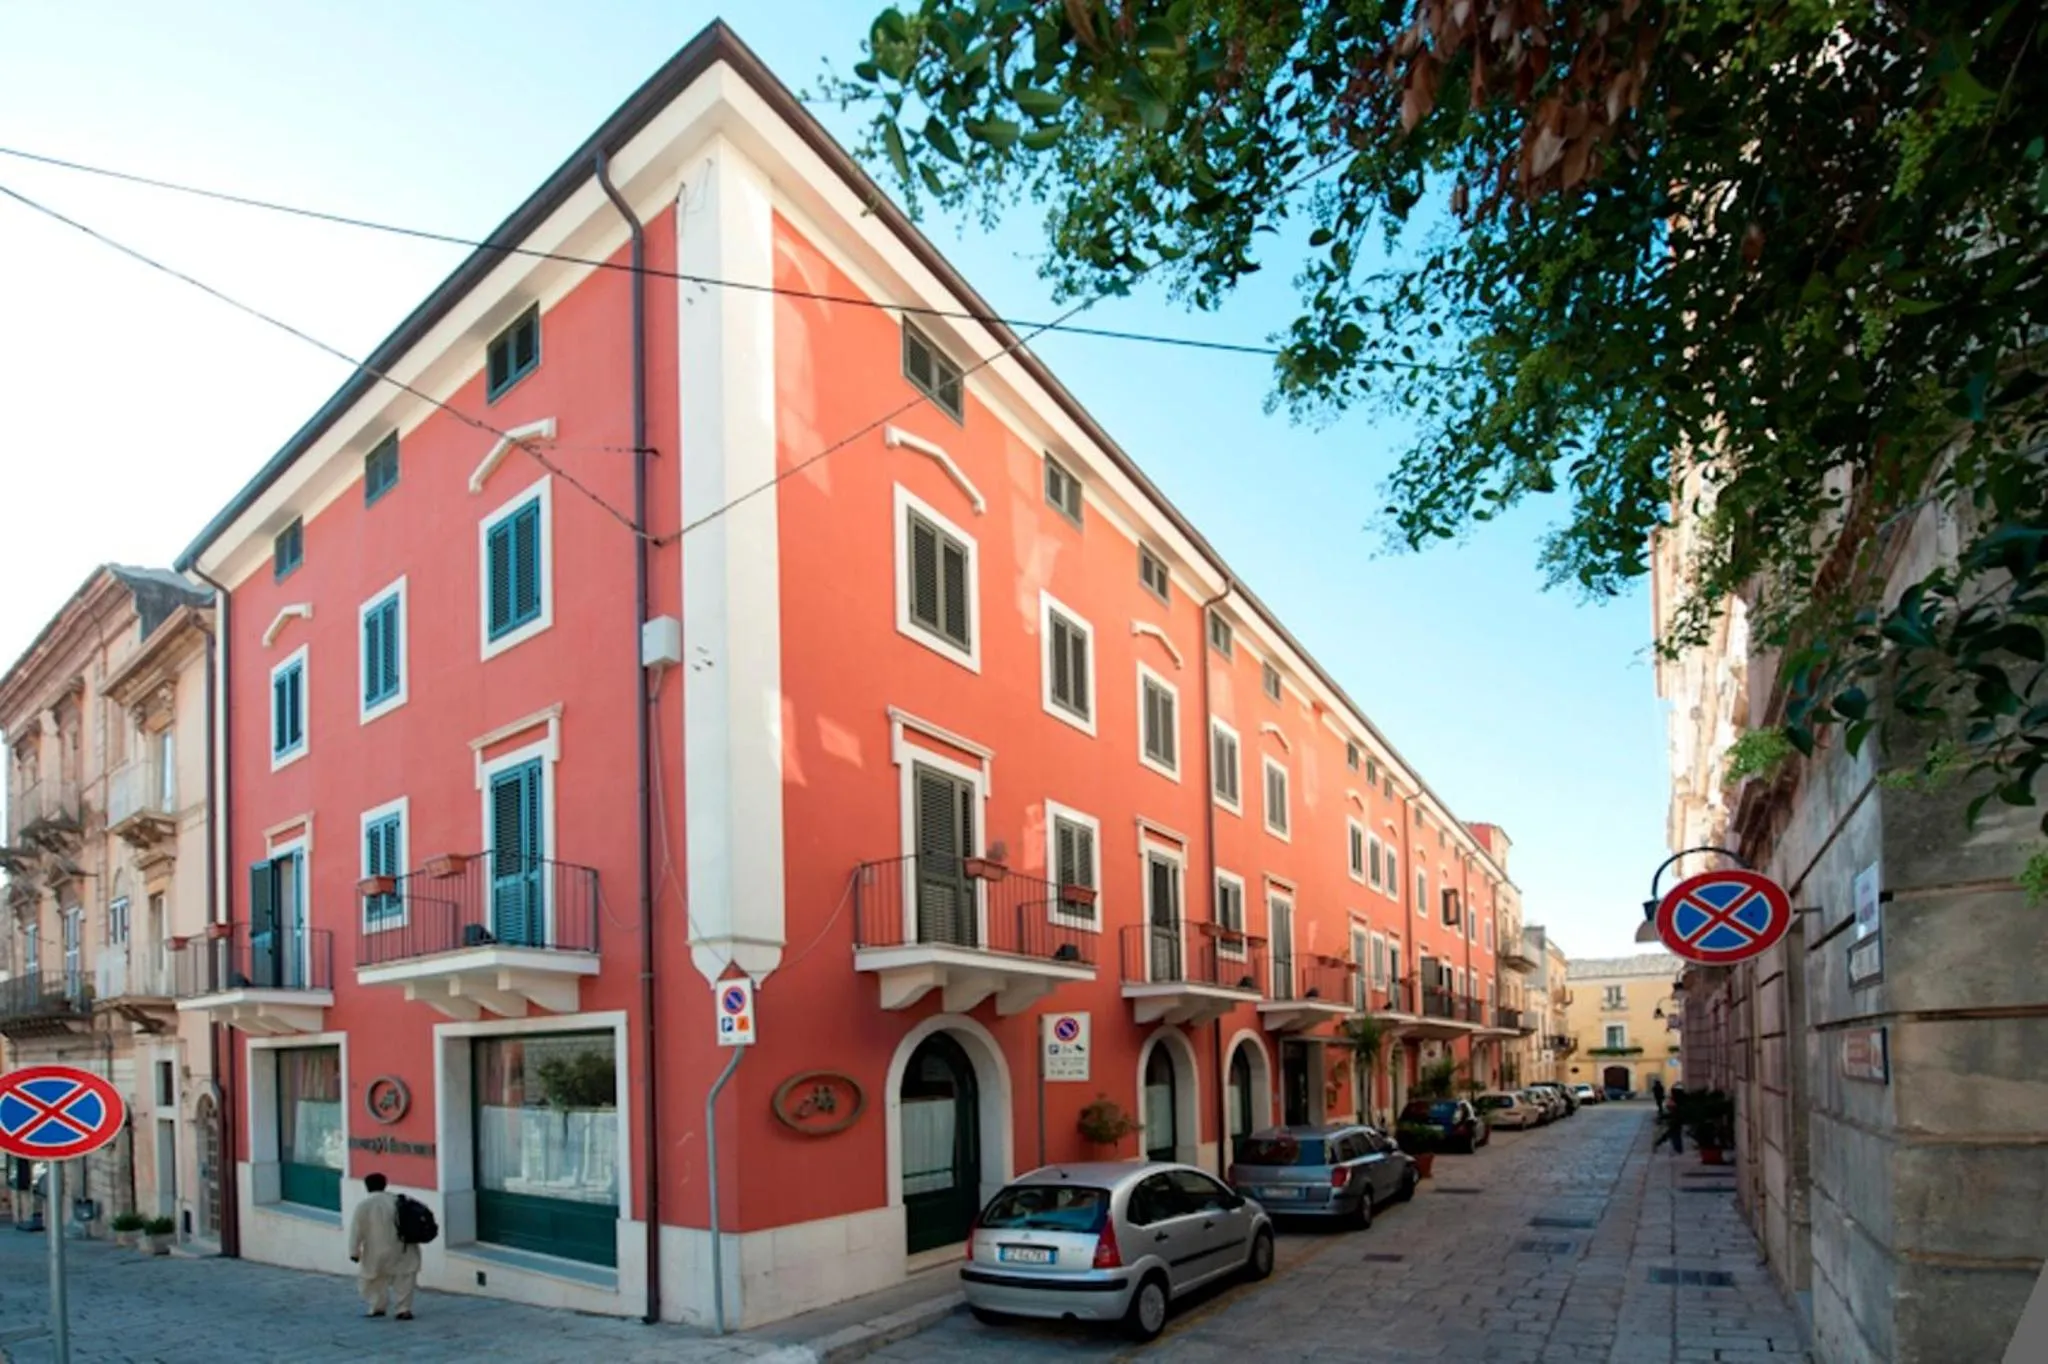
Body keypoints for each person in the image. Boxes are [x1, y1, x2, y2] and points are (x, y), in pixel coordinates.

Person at [348, 1172, 420, 1320]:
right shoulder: (399, 1201)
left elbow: (356, 1231)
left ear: (367, 1186)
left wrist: (354, 1252)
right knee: (404, 1278)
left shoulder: (364, 1206)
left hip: (376, 1249)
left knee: (374, 1279)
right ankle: (403, 1309)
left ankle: (377, 1306)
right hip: (403, 1247)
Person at [1664, 1082, 1687, 1153]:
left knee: (1674, 1134)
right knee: (1675, 1134)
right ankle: (1678, 1148)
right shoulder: (1682, 1098)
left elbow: (1670, 1107)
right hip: (1677, 1119)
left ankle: (1678, 1148)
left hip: (1675, 1119)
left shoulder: (1676, 1099)